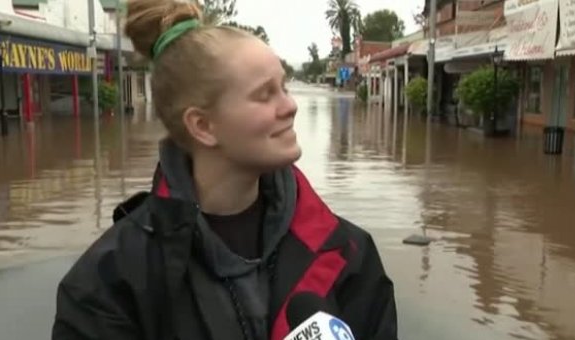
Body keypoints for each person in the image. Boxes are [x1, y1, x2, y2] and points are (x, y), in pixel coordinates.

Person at [51, 0, 397, 339]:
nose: (290, 106)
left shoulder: (348, 254)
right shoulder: (110, 283)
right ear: (203, 126)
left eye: (284, 88)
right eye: (265, 94)